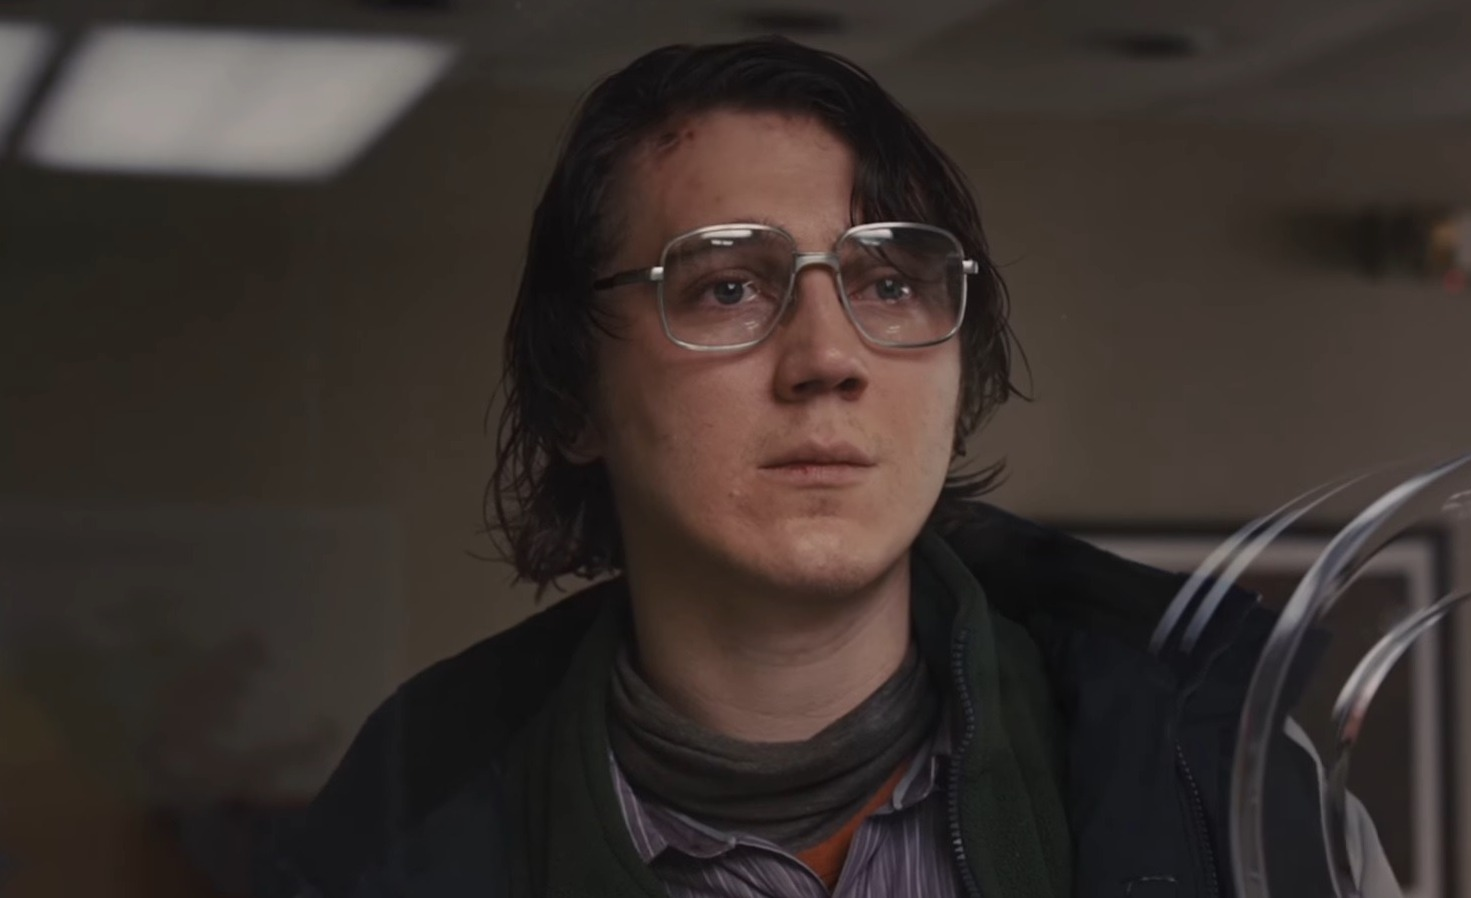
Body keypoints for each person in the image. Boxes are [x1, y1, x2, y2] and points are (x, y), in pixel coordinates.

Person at [273, 37, 1400, 898]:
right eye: (726, 286)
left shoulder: (1222, 785)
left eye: (889, 284)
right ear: (575, 396)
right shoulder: (397, 843)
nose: (828, 357)